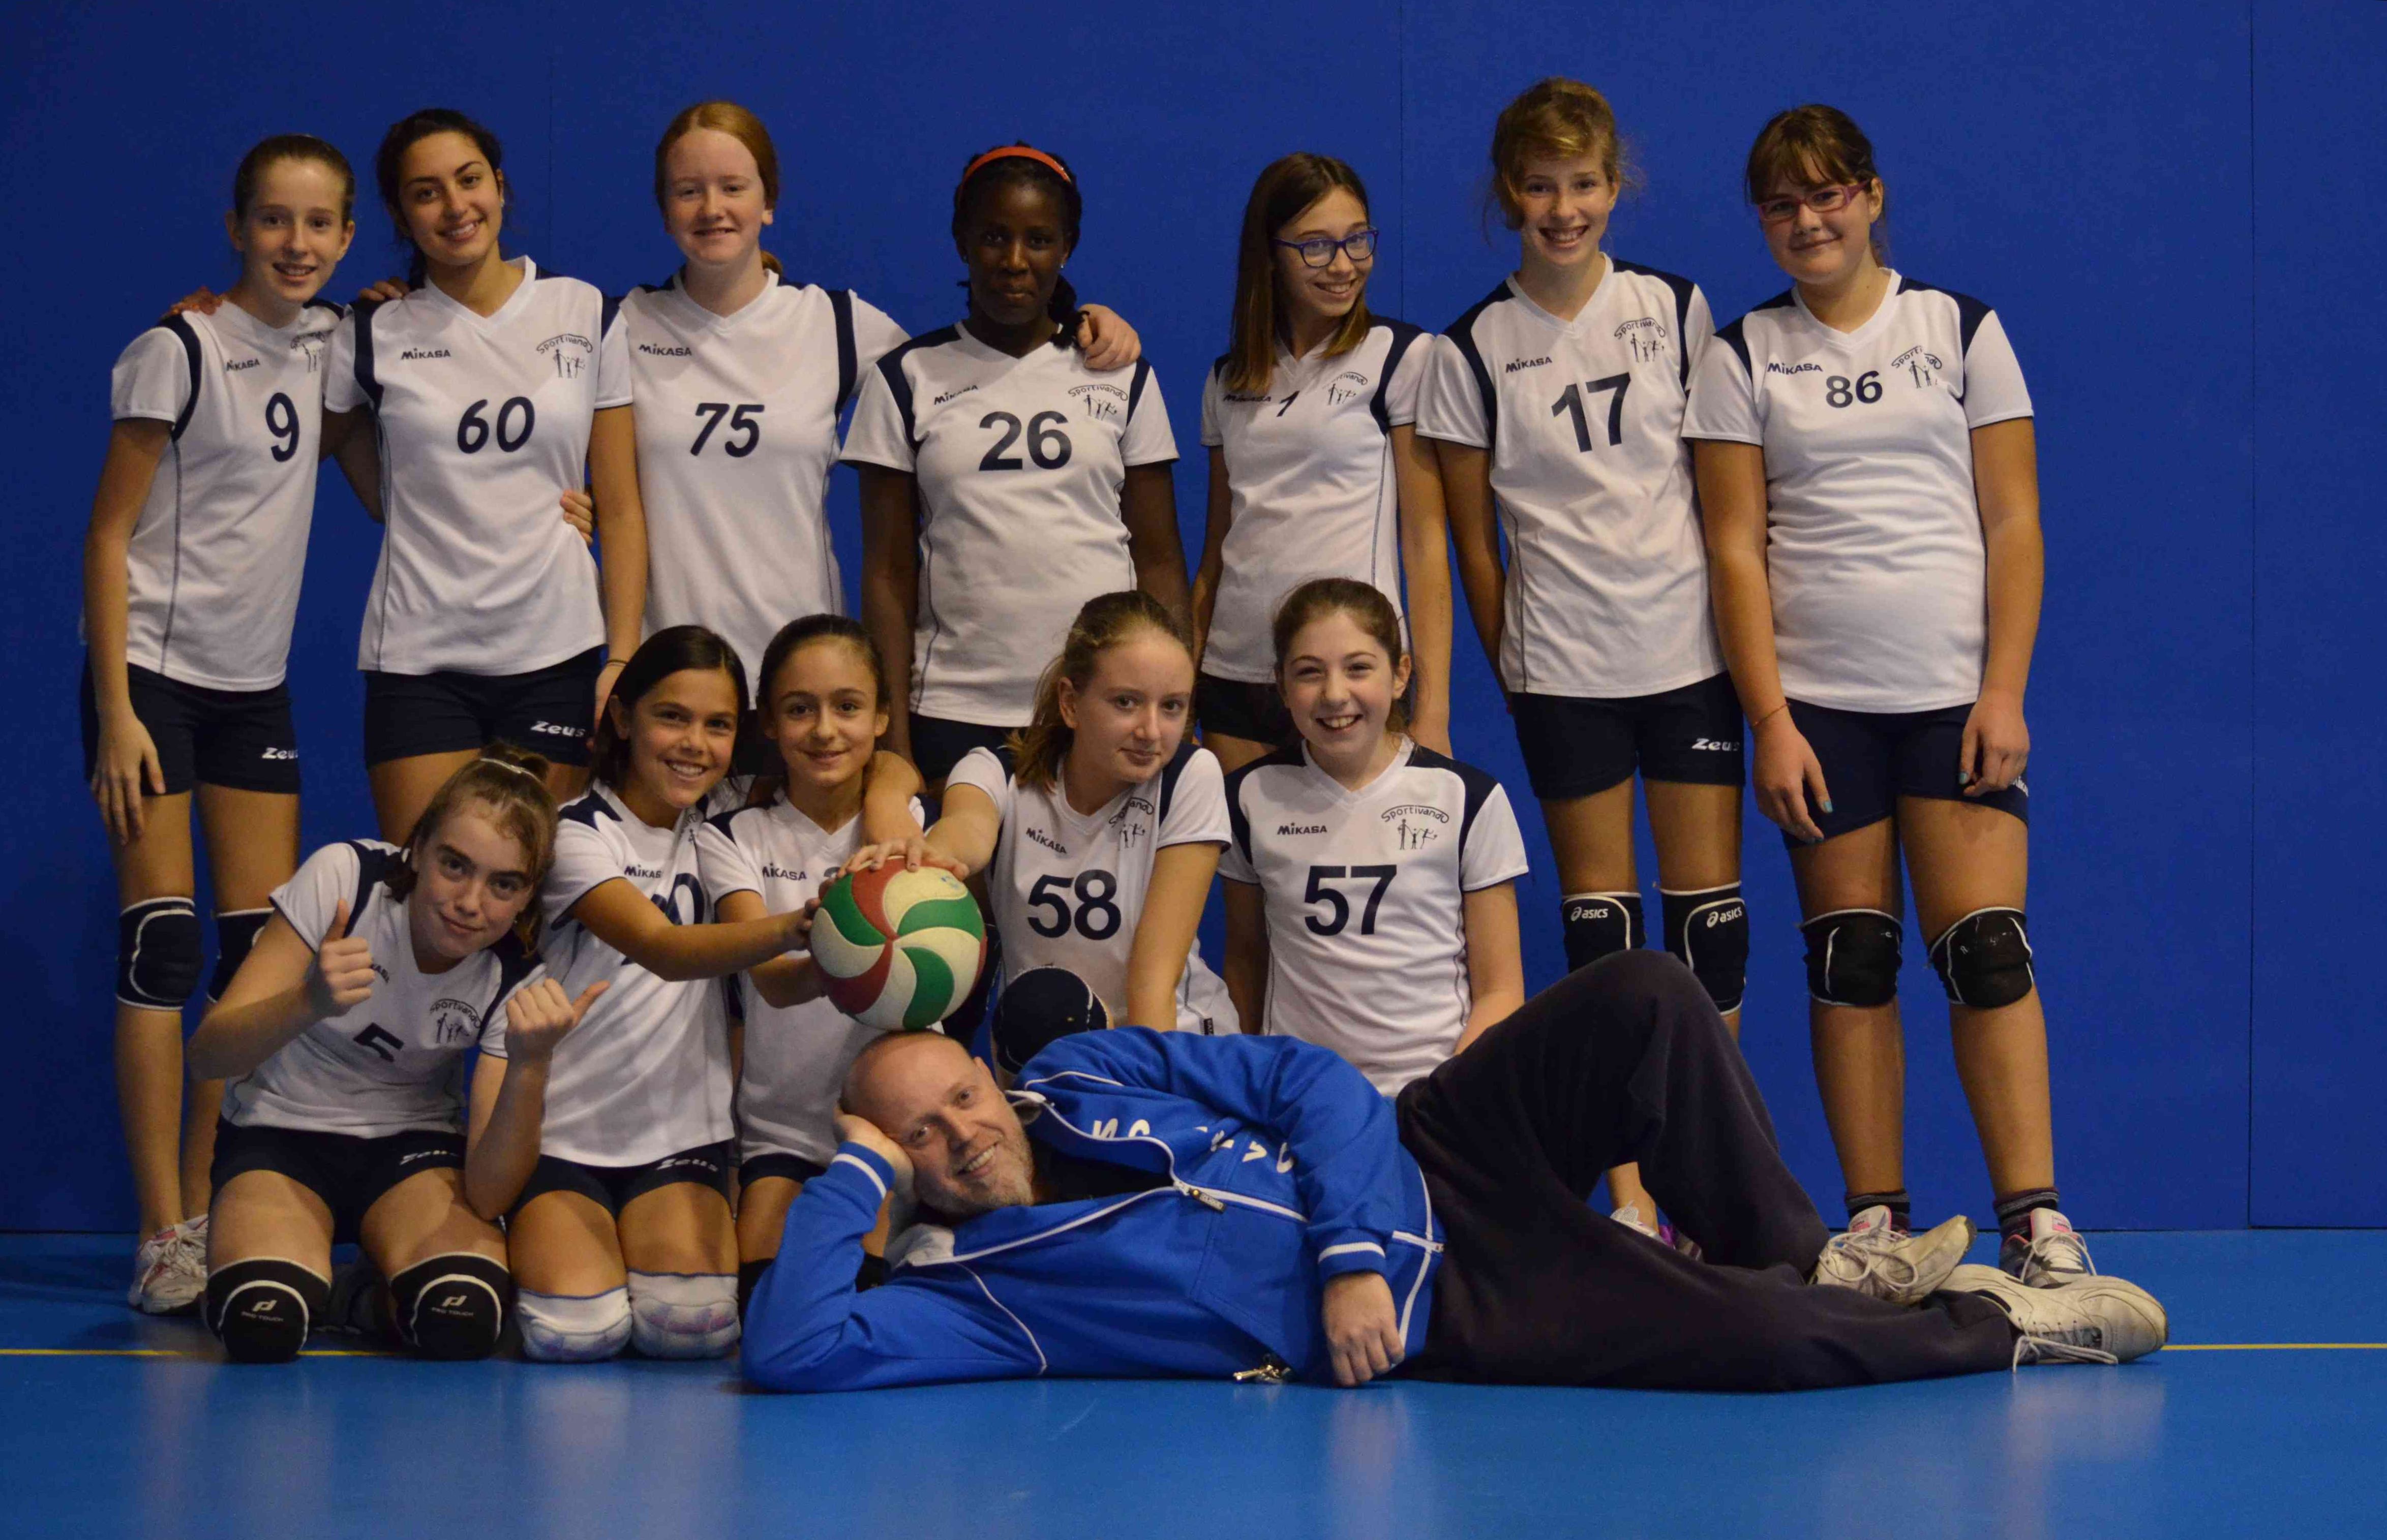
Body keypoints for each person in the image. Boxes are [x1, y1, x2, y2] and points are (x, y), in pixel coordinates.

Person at [740, 955, 2166, 1392]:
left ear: (986, 1070)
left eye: (958, 1097)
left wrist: (1348, 1248)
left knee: (1642, 998)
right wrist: (853, 1172)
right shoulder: (973, 1294)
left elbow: (1310, 1081)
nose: (961, 1134)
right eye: (918, 1137)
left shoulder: (1080, 1072)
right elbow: (795, 1346)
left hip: (1429, 1152)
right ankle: (1998, 1326)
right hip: (1455, 1307)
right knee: (1760, 1346)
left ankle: (1813, 1250)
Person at [1682, 106, 2078, 1281]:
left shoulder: (1956, 330)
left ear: (1868, 196)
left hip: (1952, 700)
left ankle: (2035, 1222)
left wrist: (2001, 691)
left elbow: (2013, 523)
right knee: (1848, 956)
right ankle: (1873, 1226)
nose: (1807, 221)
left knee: (1985, 950)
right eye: (1781, 205)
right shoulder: (1741, 355)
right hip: (1819, 711)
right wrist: (1769, 720)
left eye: (1826, 195)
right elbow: (1733, 550)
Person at [1418, 79, 1744, 1231]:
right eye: (1540, 186)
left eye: (1584, 184)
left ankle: (1713, 1195)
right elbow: (1473, 543)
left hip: (1687, 655)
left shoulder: (1675, 308)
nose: (1563, 208)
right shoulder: (1471, 347)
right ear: (1508, 193)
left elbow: (1718, 489)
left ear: (1617, 186)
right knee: (1605, 939)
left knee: (1708, 933)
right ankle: (1631, 1202)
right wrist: (1516, 664)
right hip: (1564, 669)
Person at [624, 103, 1149, 756]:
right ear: (663, 206)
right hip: (666, 670)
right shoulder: (621, 327)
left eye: (733, 186)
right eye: (688, 190)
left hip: (797, 675)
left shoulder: (839, 326)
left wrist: (1085, 319)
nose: (712, 208)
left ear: (769, 201)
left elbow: (984, 363)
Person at [83, 135, 371, 1312]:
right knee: (162, 947)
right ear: (237, 226)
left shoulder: (335, 345)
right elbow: (109, 534)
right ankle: (162, 1230)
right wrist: (115, 710)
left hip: (255, 687)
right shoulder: (177, 349)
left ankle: (211, 1209)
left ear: (347, 236)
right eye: (274, 220)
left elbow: (380, 471)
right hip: (152, 680)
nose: (296, 243)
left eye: (319, 223)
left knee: (257, 959)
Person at [467, 627, 814, 1363]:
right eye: (672, 716)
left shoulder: (722, 828)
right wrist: (796, 927)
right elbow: (661, 949)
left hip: (680, 1138)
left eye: (718, 724)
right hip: (562, 1136)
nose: (694, 744)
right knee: (576, 1331)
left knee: (693, 1328)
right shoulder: (575, 833)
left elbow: (881, 765)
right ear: (623, 718)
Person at [185, 746, 588, 1362]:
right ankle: (271, 1273)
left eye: (503, 883)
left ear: (528, 895)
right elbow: (208, 1057)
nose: (471, 901)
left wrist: (530, 1066)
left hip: (410, 1149)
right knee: (261, 1320)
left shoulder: (519, 971)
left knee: (464, 1317)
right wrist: (308, 1001)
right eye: (455, 864)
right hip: (280, 1132)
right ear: (417, 848)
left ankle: (360, 1302)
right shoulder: (347, 879)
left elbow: (488, 1195)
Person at [325, 108, 649, 842]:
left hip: (555, 650)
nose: (455, 206)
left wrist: (622, 654)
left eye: (469, 180)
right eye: (426, 193)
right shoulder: (372, 331)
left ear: (499, 186)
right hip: (419, 658)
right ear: (401, 216)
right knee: (423, 885)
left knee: (537, 890)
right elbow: (342, 460)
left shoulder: (586, 311)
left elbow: (623, 507)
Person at [844, 143, 1188, 788]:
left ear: (1067, 248)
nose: (1015, 260)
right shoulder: (907, 377)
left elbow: (1160, 559)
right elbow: (887, 573)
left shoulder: (1120, 373)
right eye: (995, 237)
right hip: (955, 707)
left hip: (1105, 705)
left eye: (1039, 240)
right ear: (962, 241)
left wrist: (1174, 706)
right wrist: (894, 737)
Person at [861, 591, 1234, 1055]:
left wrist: (1150, 1094)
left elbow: (1152, 981)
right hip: (1043, 1058)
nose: (1151, 731)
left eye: (1172, 706)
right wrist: (931, 857)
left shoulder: (1188, 775)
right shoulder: (994, 771)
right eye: (1126, 702)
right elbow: (968, 832)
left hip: (1170, 1044)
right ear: (1070, 703)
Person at [1220, 579, 1527, 1097]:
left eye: (1358, 668)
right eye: (1309, 672)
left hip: (1435, 1093)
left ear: (1400, 674)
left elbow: (1500, 989)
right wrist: (1250, 1088)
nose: (1335, 694)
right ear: (1281, 685)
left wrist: (1446, 1098)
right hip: (1301, 1096)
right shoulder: (1250, 796)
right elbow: (1245, 959)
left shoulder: (1467, 797)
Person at [1192, 153, 1451, 769]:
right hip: (1235, 673)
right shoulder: (1227, 379)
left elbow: (1424, 543)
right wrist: (1182, 683)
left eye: (1357, 240)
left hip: (1349, 674)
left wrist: (1434, 709)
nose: (1343, 265)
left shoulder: (1403, 356)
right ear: (1270, 254)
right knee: (1244, 838)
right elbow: (1218, 548)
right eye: (1315, 246)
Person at [692, 615, 920, 1306]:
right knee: (766, 1305)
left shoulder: (909, 828)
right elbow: (775, 983)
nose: (825, 730)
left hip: (892, 1126)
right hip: (781, 1134)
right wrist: (842, 939)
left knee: (866, 1303)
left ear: (882, 717)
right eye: (800, 709)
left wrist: (894, 804)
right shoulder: (732, 835)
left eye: (848, 706)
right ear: (768, 721)